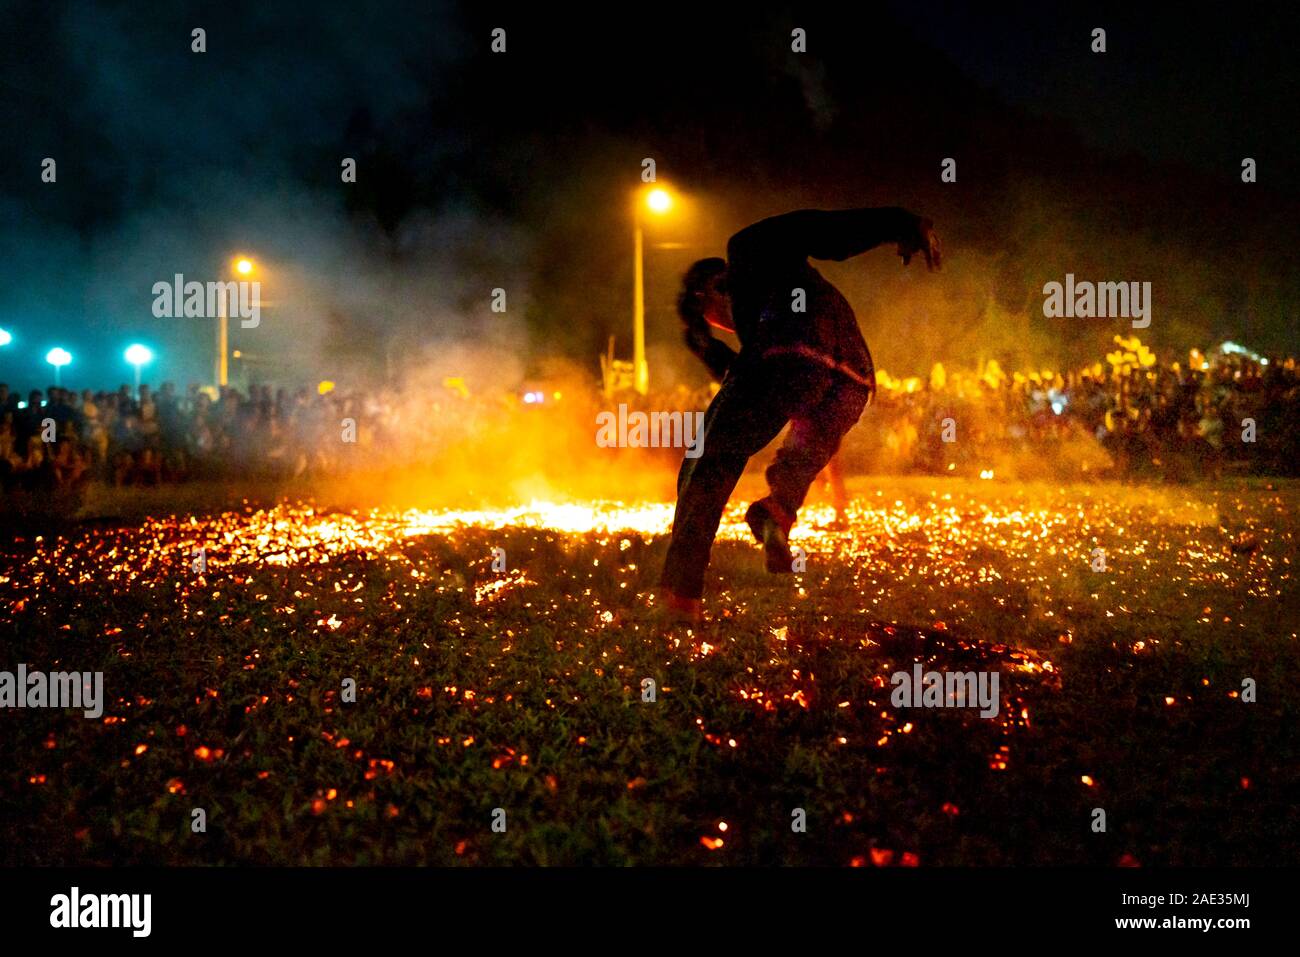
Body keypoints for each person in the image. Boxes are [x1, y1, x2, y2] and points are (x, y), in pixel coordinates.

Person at [660, 206, 941, 619]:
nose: (726, 327)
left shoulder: (747, 248)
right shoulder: (770, 305)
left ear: (713, 287)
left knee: (708, 458)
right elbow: (747, 376)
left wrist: (899, 223)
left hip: (795, 355)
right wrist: (708, 349)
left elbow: (822, 231)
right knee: (804, 450)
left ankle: (680, 594)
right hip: (853, 380)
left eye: (716, 319)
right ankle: (777, 512)